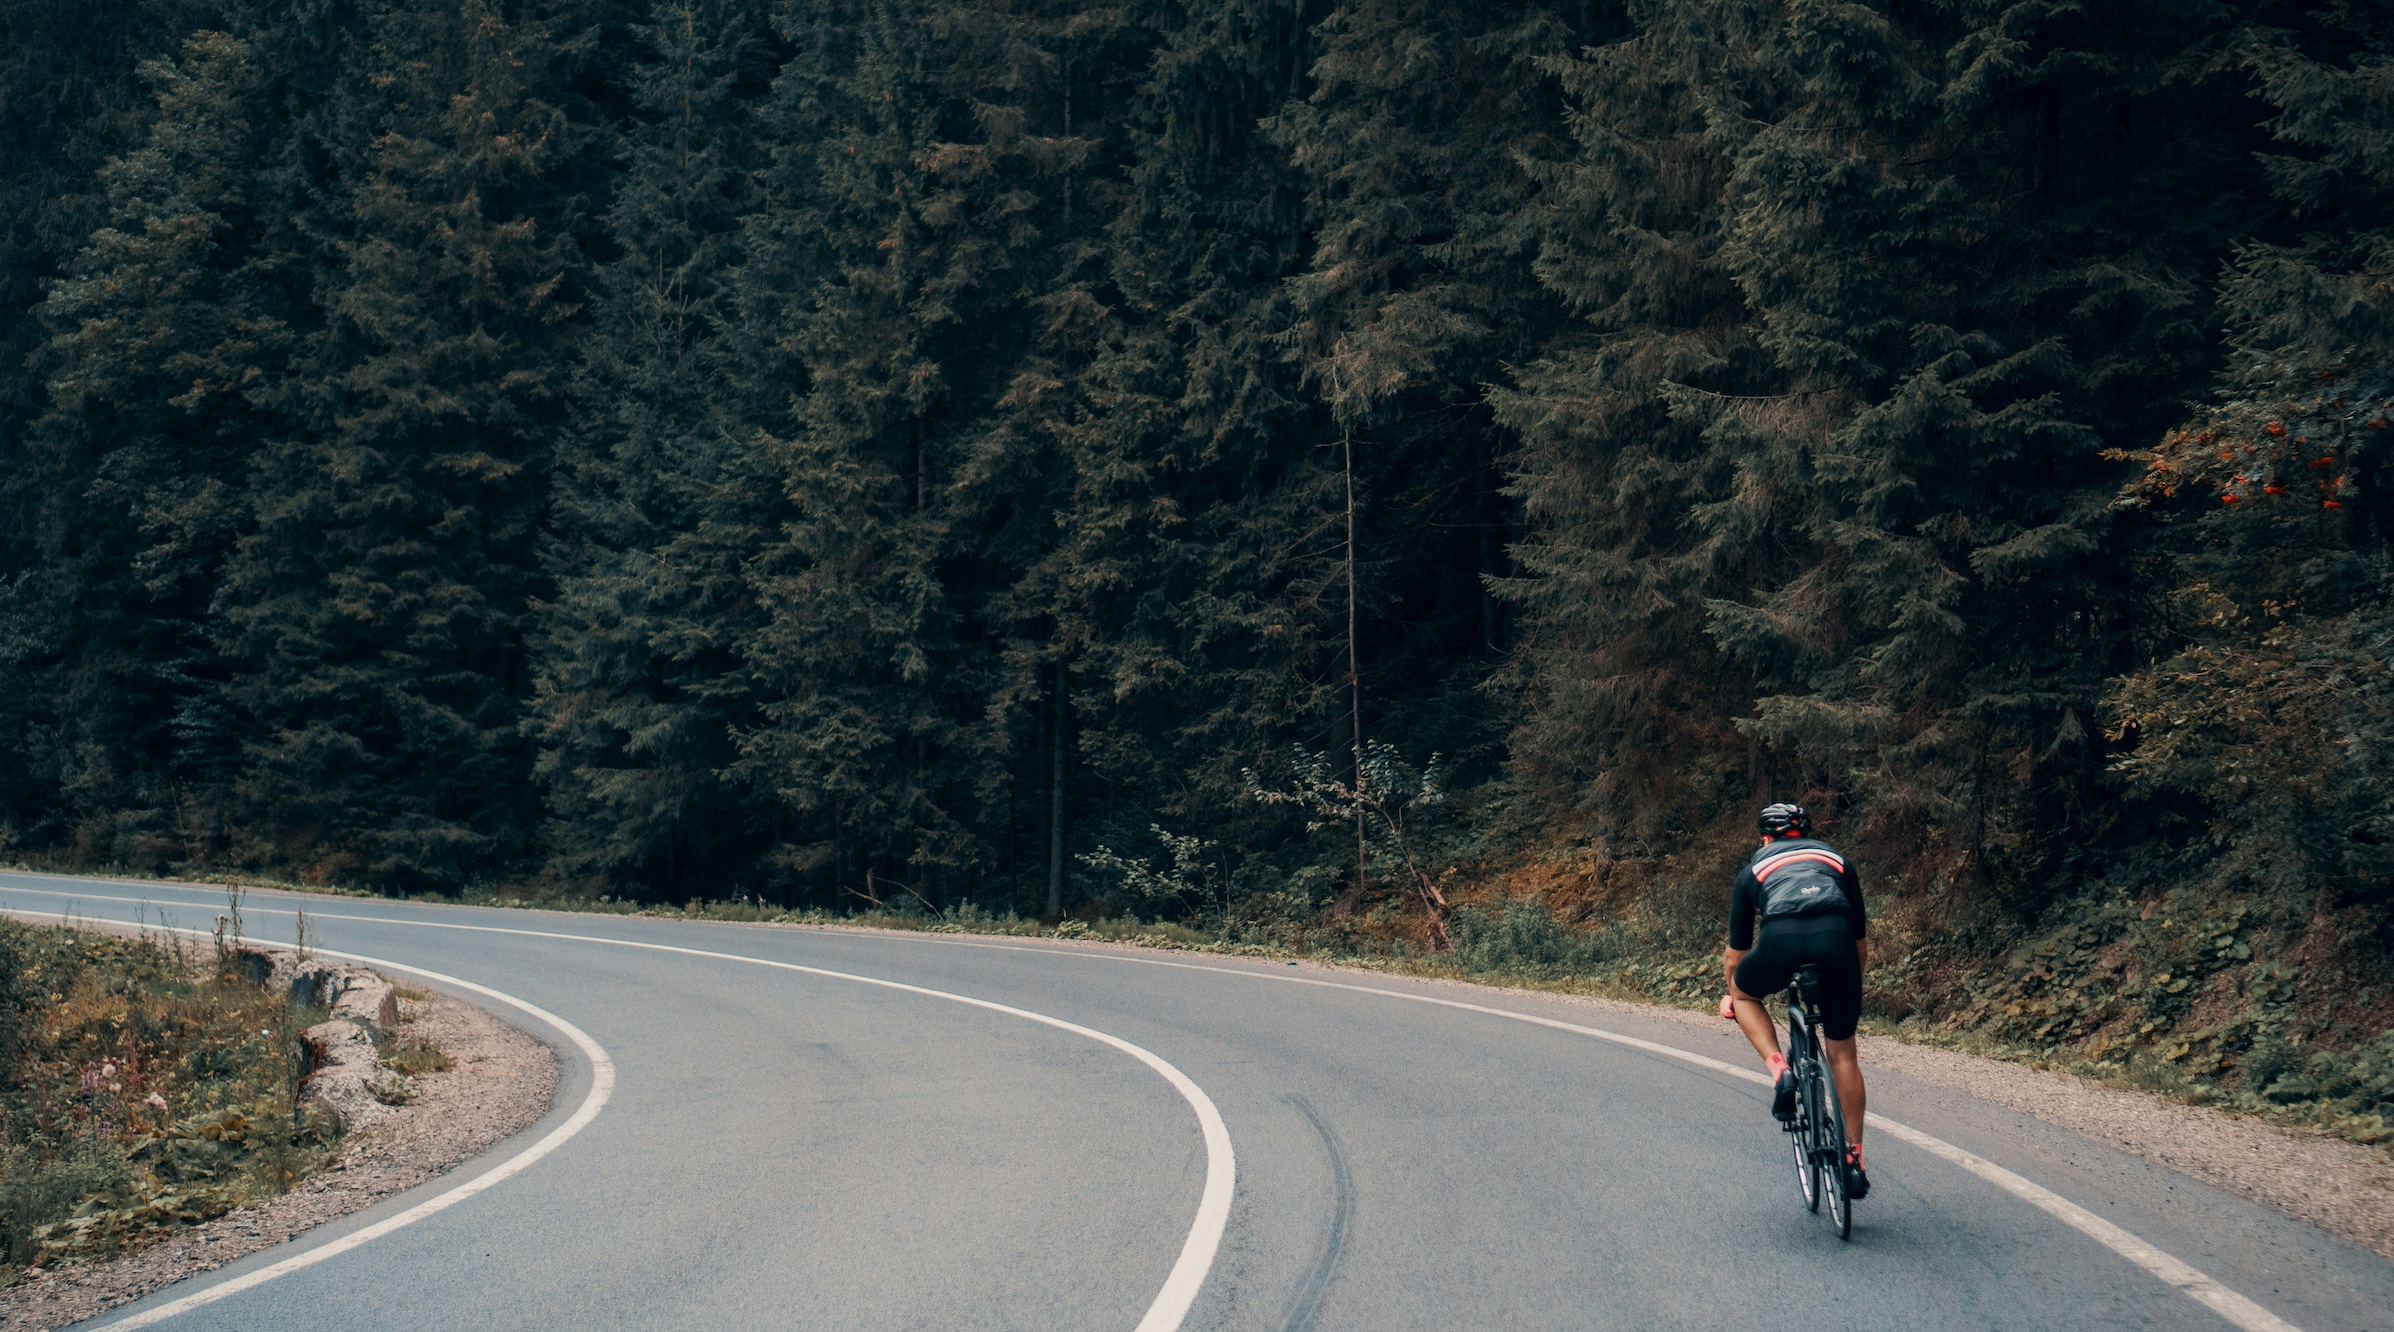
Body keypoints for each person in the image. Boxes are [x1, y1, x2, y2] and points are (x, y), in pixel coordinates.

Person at [1717, 802, 1871, 1198]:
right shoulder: (1837, 861)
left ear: (1765, 838)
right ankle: (1854, 1158)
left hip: (1779, 940)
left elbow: (1736, 956)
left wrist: (1732, 994)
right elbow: (1860, 944)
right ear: (1806, 833)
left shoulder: (1753, 870)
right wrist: (1850, 980)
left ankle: (1780, 1070)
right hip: (1838, 945)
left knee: (1744, 992)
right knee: (1843, 1056)